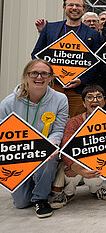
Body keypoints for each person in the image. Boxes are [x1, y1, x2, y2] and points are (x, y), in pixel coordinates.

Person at [0, 59, 69, 218]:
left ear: (51, 77)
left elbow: (58, 129)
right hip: (19, 153)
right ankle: (37, 182)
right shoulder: (9, 103)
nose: (39, 77)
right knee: (21, 203)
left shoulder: (60, 99)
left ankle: (41, 198)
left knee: (49, 154)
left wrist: (52, 143)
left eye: (45, 73)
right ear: (26, 76)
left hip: (45, 151)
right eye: (34, 73)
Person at [31, 0, 101, 117]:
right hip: (52, 86)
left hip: (77, 91)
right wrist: (47, 74)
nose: (74, 8)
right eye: (71, 5)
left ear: (84, 9)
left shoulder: (93, 34)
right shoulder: (50, 28)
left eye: (78, 5)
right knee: (47, 121)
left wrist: (81, 80)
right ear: (64, 8)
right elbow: (36, 54)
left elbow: (97, 63)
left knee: (75, 124)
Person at [51, 85, 106, 209]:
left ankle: (96, 189)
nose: (95, 100)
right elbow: (65, 149)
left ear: (104, 101)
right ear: (83, 102)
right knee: (68, 169)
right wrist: (75, 167)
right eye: (90, 97)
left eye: (99, 97)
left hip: (98, 162)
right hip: (77, 164)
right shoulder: (74, 122)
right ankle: (68, 193)